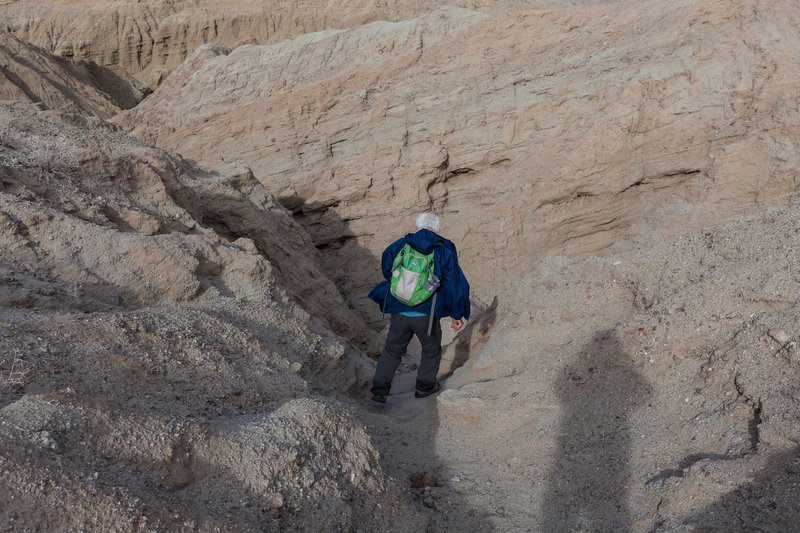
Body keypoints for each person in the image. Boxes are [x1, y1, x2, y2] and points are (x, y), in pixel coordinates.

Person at [368, 212, 470, 404]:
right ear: (437, 230)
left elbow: (386, 265)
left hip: (399, 309)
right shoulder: (444, 249)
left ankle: (379, 392)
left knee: (392, 350)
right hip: (428, 314)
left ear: (417, 227)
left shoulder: (401, 244)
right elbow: (454, 285)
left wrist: (401, 285)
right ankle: (424, 388)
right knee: (431, 351)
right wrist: (457, 315)